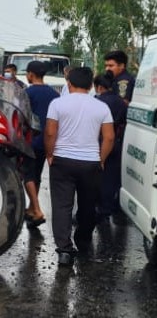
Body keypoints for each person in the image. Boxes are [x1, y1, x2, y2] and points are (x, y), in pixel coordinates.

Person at [44, 67, 115, 266]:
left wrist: (50, 155)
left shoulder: (57, 104)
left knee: (62, 205)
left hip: (62, 161)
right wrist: (101, 159)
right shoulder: (101, 107)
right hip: (90, 162)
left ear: (69, 83)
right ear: (91, 85)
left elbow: (50, 133)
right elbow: (109, 137)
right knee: (87, 205)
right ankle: (83, 241)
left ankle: (64, 250)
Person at [21, 60, 59, 228]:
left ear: (30, 74)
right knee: (37, 174)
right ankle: (30, 209)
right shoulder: (54, 94)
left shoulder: (26, 93)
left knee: (27, 175)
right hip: (48, 141)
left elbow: (22, 117)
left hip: (31, 140)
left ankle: (37, 210)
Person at [93, 72, 128, 225]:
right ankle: (106, 211)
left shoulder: (97, 102)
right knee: (110, 179)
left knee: (95, 178)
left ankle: (94, 208)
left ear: (99, 87)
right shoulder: (121, 103)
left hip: (99, 142)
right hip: (117, 143)